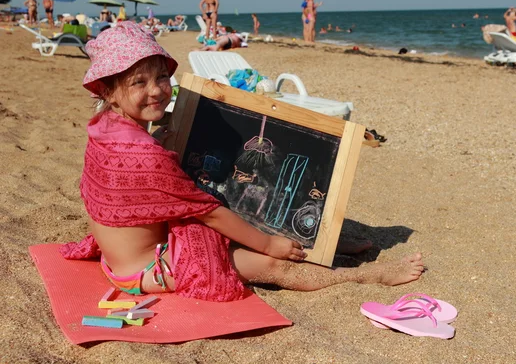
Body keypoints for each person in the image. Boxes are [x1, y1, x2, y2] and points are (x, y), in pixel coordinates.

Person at [59, 21, 425, 300]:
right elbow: (207, 211)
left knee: (234, 217)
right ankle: (365, 276)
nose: (156, 90)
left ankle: (315, 242)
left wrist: (161, 138)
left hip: (124, 256)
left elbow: (138, 188)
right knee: (270, 263)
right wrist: (268, 245)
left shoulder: (103, 127)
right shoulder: (142, 153)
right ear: (108, 90)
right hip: (147, 270)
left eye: (161, 77)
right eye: (138, 82)